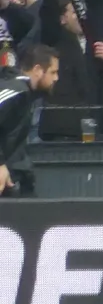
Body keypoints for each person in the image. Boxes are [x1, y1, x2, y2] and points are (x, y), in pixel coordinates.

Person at [0, 44, 58, 197]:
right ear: (38, 70)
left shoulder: (26, 94)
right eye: (53, 72)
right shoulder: (15, 91)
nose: (56, 78)